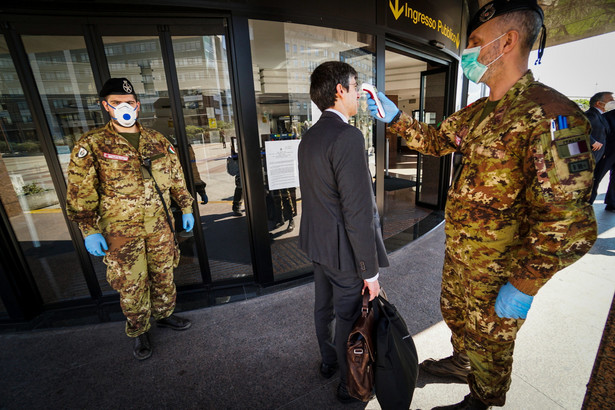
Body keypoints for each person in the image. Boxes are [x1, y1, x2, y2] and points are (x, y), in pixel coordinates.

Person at [366, 1, 597, 408]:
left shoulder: (552, 115)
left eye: (474, 42)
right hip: (463, 255)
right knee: (456, 315)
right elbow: (438, 141)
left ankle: (484, 397)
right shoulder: (480, 112)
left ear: (506, 41)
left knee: (491, 337)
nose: (468, 52)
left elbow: (571, 225)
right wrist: (396, 119)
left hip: (502, 266)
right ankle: (461, 363)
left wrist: (524, 285)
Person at [66, 78, 195, 361]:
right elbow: (80, 191)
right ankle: (139, 330)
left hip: (160, 226)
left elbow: (176, 177)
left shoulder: (157, 140)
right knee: (131, 283)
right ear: (105, 106)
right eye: (116, 103)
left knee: (164, 274)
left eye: (129, 102)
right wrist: (88, 229)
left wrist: (186, 207)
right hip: (120, 231)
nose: (124, 107)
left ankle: (164, 315)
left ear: (137, 105)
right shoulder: (93, 144)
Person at [298, 61, 389, 403]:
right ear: (339, 91)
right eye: (355, 87)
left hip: (317, 245)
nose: (358, 94)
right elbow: (358, 212)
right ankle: (348, 383)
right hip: (344, 253)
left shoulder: (309, 137)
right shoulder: (348, 137)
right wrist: (371, 271)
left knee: (323, 308)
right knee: (349, 318)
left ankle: (327, 363)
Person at [589, 95, 615, 211]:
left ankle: (612, 203)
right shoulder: (607, 116)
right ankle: (588, 202)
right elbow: (602, 134)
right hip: (607, 153)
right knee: (596, 177)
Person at [585, 92, 613, 162]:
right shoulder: (591, 115)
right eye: (610, 100)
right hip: (589, 155)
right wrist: (593, 142)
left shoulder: (601, 115)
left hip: (597, 155)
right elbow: (579, 129)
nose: (613, 102)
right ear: (599, 103)